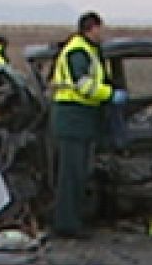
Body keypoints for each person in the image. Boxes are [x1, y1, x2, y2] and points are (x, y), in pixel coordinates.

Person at [49, 12, 126, 239]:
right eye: (100, 29)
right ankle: (67, 225)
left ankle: (73, 221)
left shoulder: (89, 50)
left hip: (81, 119)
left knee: (78, 174)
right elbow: (83, 85)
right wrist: (110, 95)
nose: (103, 33)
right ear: (91, 28)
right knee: (71, 176)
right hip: (73, 118)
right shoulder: (78, 51)